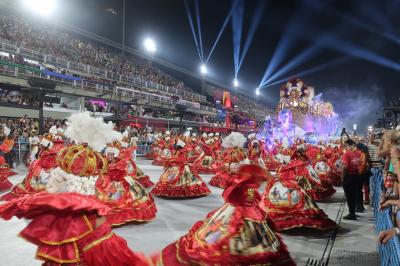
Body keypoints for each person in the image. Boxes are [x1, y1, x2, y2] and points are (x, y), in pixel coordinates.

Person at [342, 139, 364, 220]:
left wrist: (342, 177)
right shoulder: (359, 153)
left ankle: (352, 214)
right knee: (355, 195)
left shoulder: (347, 154)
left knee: (349, 196)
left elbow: (345, 167)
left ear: (348, 145)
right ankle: (354, 211)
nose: (345, 147)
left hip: (349, 176)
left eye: (345, 145)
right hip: (358, 176)